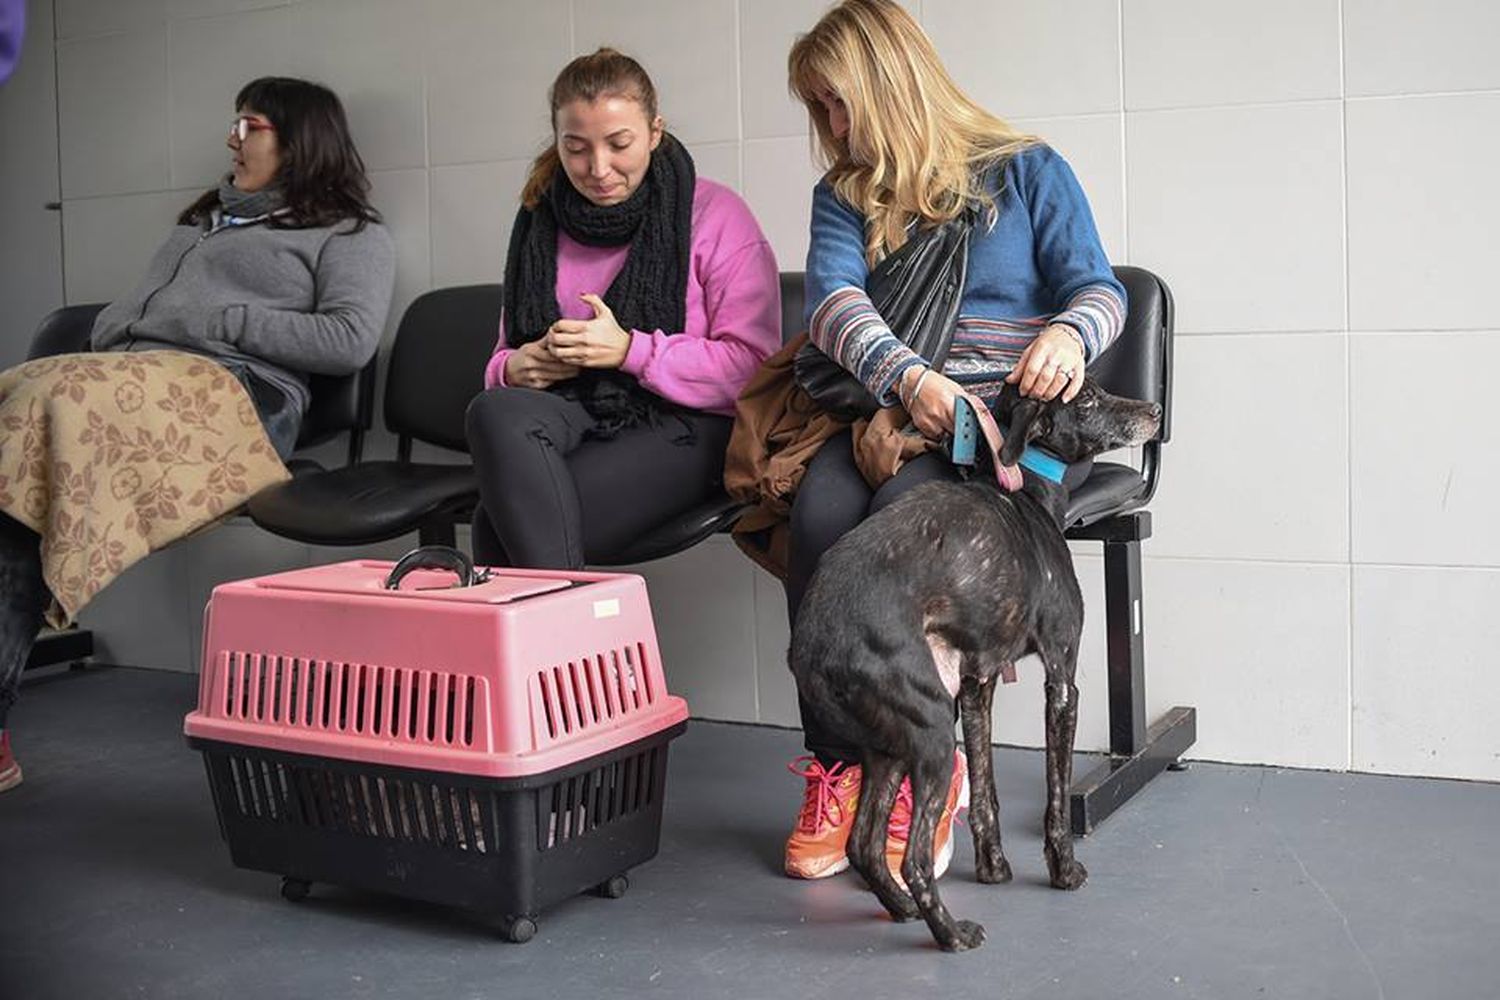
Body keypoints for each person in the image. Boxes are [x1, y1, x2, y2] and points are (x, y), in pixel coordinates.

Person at [779, 0, 1128, 880]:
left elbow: (1100, 290)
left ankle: (923, 770)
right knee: (819, 527)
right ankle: (840, 768)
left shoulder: (1027, 174)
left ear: (888, 85)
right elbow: (832, 307)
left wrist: (1067, 338)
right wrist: (910, 381)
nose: (830, 128)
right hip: (896, 418)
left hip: (996, 437)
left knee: (907, 533)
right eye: (817, 109)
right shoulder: (843, 197)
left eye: (838, 103)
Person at [0, 76, 396, 793]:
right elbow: (132, 317)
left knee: (43, 401)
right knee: (19, 451)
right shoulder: (202, 220)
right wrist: (132, 326)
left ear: (299, 139)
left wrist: (215, 323)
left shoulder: (350, 233)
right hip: (139, 378)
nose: (231, 139)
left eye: (250, 125)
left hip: (243, 395)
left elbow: (347, 341)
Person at [464, 48, 780, 570]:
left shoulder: (715, 215)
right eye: (577, 148)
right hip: (576, 412)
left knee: (495, 525)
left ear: (654, 132)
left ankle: (561, 648)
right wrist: (516, 367)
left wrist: (630, 351)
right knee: (494, 410)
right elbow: (501, 361)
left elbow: (753, 370)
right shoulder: (539, 222)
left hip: (691, 426)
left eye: (619, 144)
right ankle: (577, 644)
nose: (598, 169)